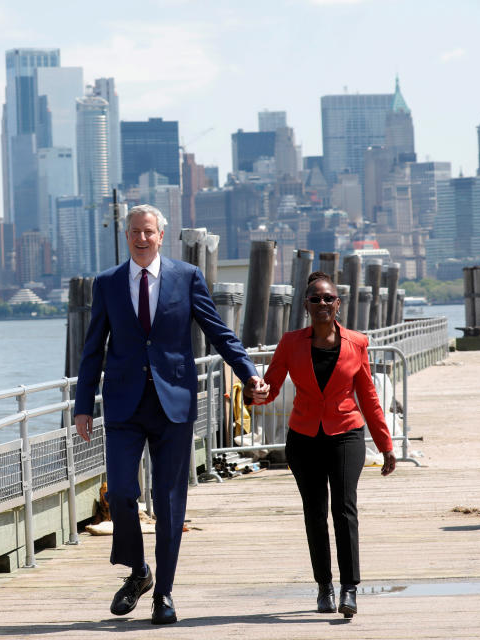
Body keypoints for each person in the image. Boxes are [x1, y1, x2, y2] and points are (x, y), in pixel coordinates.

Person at [74, 204, 269, 625]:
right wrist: (83, 405)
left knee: (168, 502)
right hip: (125, 405)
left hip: (173, 403)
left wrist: (249, 372)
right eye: (133, 232)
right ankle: (139, 572)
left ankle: (164, 592)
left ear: (162, 236)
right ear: (126, 236)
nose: (141, 239)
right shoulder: (107, 284)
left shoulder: (186, 277)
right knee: (122, 493)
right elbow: (93, 348)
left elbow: (217, 330)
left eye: (148, 232)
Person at [252, 271, 396, 618]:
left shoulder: (357, 342)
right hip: (303, 438)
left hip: (346, 433)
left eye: (328, 298)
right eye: (315, 299)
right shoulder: (290, 343)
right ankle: (324, 587)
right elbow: (269, 387)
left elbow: (369, 396)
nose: (322, 304)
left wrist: (386, 445)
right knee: (315, 513)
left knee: (344, 509)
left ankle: (349, 588)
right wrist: (252, 395)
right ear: (305, 305)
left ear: (338, 303)